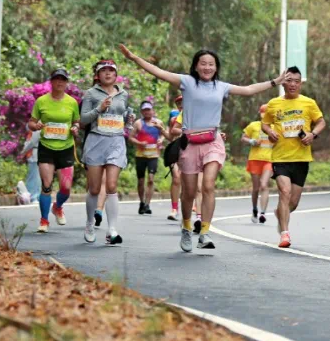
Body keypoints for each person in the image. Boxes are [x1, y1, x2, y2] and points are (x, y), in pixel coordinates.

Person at [120, 44, 287, 252]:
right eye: (203, 64)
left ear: (216, 67)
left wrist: (275, 82)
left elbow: (248, 90)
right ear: (196, 66)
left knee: (208, 185)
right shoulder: (187, 82)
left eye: (211, 64)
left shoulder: (221, 86)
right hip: (189, 143)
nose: (207, 67)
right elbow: (159, 72)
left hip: (212, 141)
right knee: (189, 192)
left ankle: (205, 233)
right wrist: (135, 58)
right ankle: (186, 227)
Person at [262, 67, 326, 248]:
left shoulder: (308, 103)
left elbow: (321, 122)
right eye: (289, 81)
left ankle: (281, 214)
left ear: (300, 84)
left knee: (294, 202)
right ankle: (285, 234)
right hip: (280, 157)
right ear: (283, 83)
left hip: (301, 158)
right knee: (284, 191)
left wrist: (312, 134)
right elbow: (265, 124)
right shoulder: (274, 103)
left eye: (296, 81)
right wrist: (270, 131)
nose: (292, 84)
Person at [79, 59, 134, 245]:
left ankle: (112, 230)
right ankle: (89, 223)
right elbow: (83, 120)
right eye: (104, 71)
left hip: (116, 141)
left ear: (116, 75)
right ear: (98, 75)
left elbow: (123, 116)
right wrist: (99, 109)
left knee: (111, 185)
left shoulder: (123, 94)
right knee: (94, 189)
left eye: (111, 70)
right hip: (96, 141)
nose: (108, 73)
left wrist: (129, 119)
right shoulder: (91, 93)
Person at [27, 68, 80, 233]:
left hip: (65, 148)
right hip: (47, 148)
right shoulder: (41, 101)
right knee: (47, 185)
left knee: (66, 187)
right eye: (57, 79)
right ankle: (44, 220)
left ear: (66, 83)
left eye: (63, 79)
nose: (60, 82)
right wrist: (35, 126)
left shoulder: (72, 102)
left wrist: (75, 128)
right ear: (51, 81)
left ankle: (57, 207)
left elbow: (76, 122)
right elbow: (31, 122)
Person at [131, 99, 166, 215]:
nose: (147, 112)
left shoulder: (158, 122)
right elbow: (131, 137)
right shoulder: (138, 123)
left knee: (151, 179)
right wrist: (139, 143)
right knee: (141, 180)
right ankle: (141, 202)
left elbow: (163, 134)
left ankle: (147, 204)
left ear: (152, 111)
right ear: (142, 112)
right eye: (144, 110)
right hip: (140, 155)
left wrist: (161, 140)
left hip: (153, 155)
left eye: (148, 110)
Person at [241, 105, 274, 224]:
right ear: (260, 114)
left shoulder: (275, 127)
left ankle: (263, 213)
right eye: (263, 113)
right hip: (254, 159)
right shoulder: (253, 125)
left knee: (264, 185)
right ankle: (255, 209)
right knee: (256, 188)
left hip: (269, 160)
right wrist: (252, 141)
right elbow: (243, 138)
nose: (265, 115)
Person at [166, 95, 183, 220]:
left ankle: (192, 208)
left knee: (188, 182)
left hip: (190, 151)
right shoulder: (173, 119)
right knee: (176, 178)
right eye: (179, 103)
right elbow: (170, 136)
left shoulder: (196, 116)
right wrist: (162, 130)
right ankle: (174, 209)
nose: (182, 105)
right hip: (176, 151)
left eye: (184, 102)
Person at [18, 129, 41, 204]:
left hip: (34, 154)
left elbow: (32, 141)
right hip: (39, 153)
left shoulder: (36, 126)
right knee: (37, 177)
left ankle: (33, 197)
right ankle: (37, 197)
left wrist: (23, 151)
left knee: (33, 176)